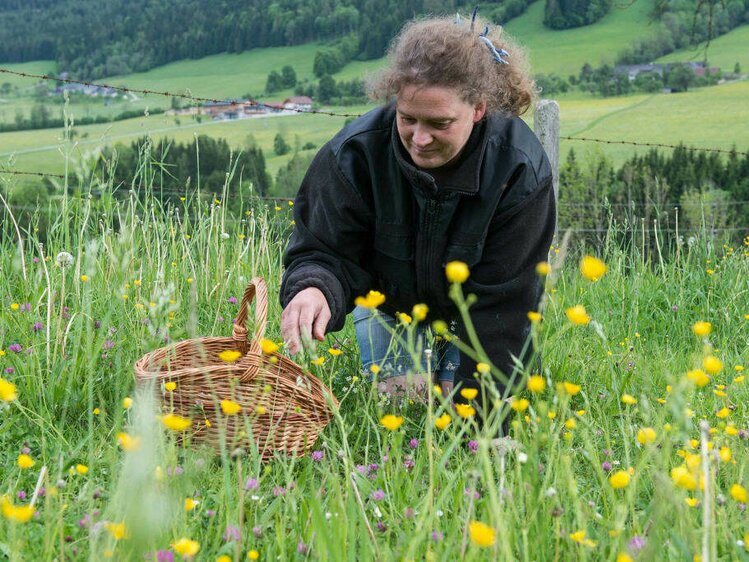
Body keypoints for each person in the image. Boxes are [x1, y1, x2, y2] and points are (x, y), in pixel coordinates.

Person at [279, 13, 555, 422]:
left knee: (459, 411)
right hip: (391, 305)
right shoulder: (355, 156)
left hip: (476, 313)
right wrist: (314, 288)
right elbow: (323, 250)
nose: (419, 139)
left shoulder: (517, 170)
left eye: (439, 123)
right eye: (407, 118)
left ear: (478, 109)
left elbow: (505, 308)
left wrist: (481, 420)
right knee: (404, 407)